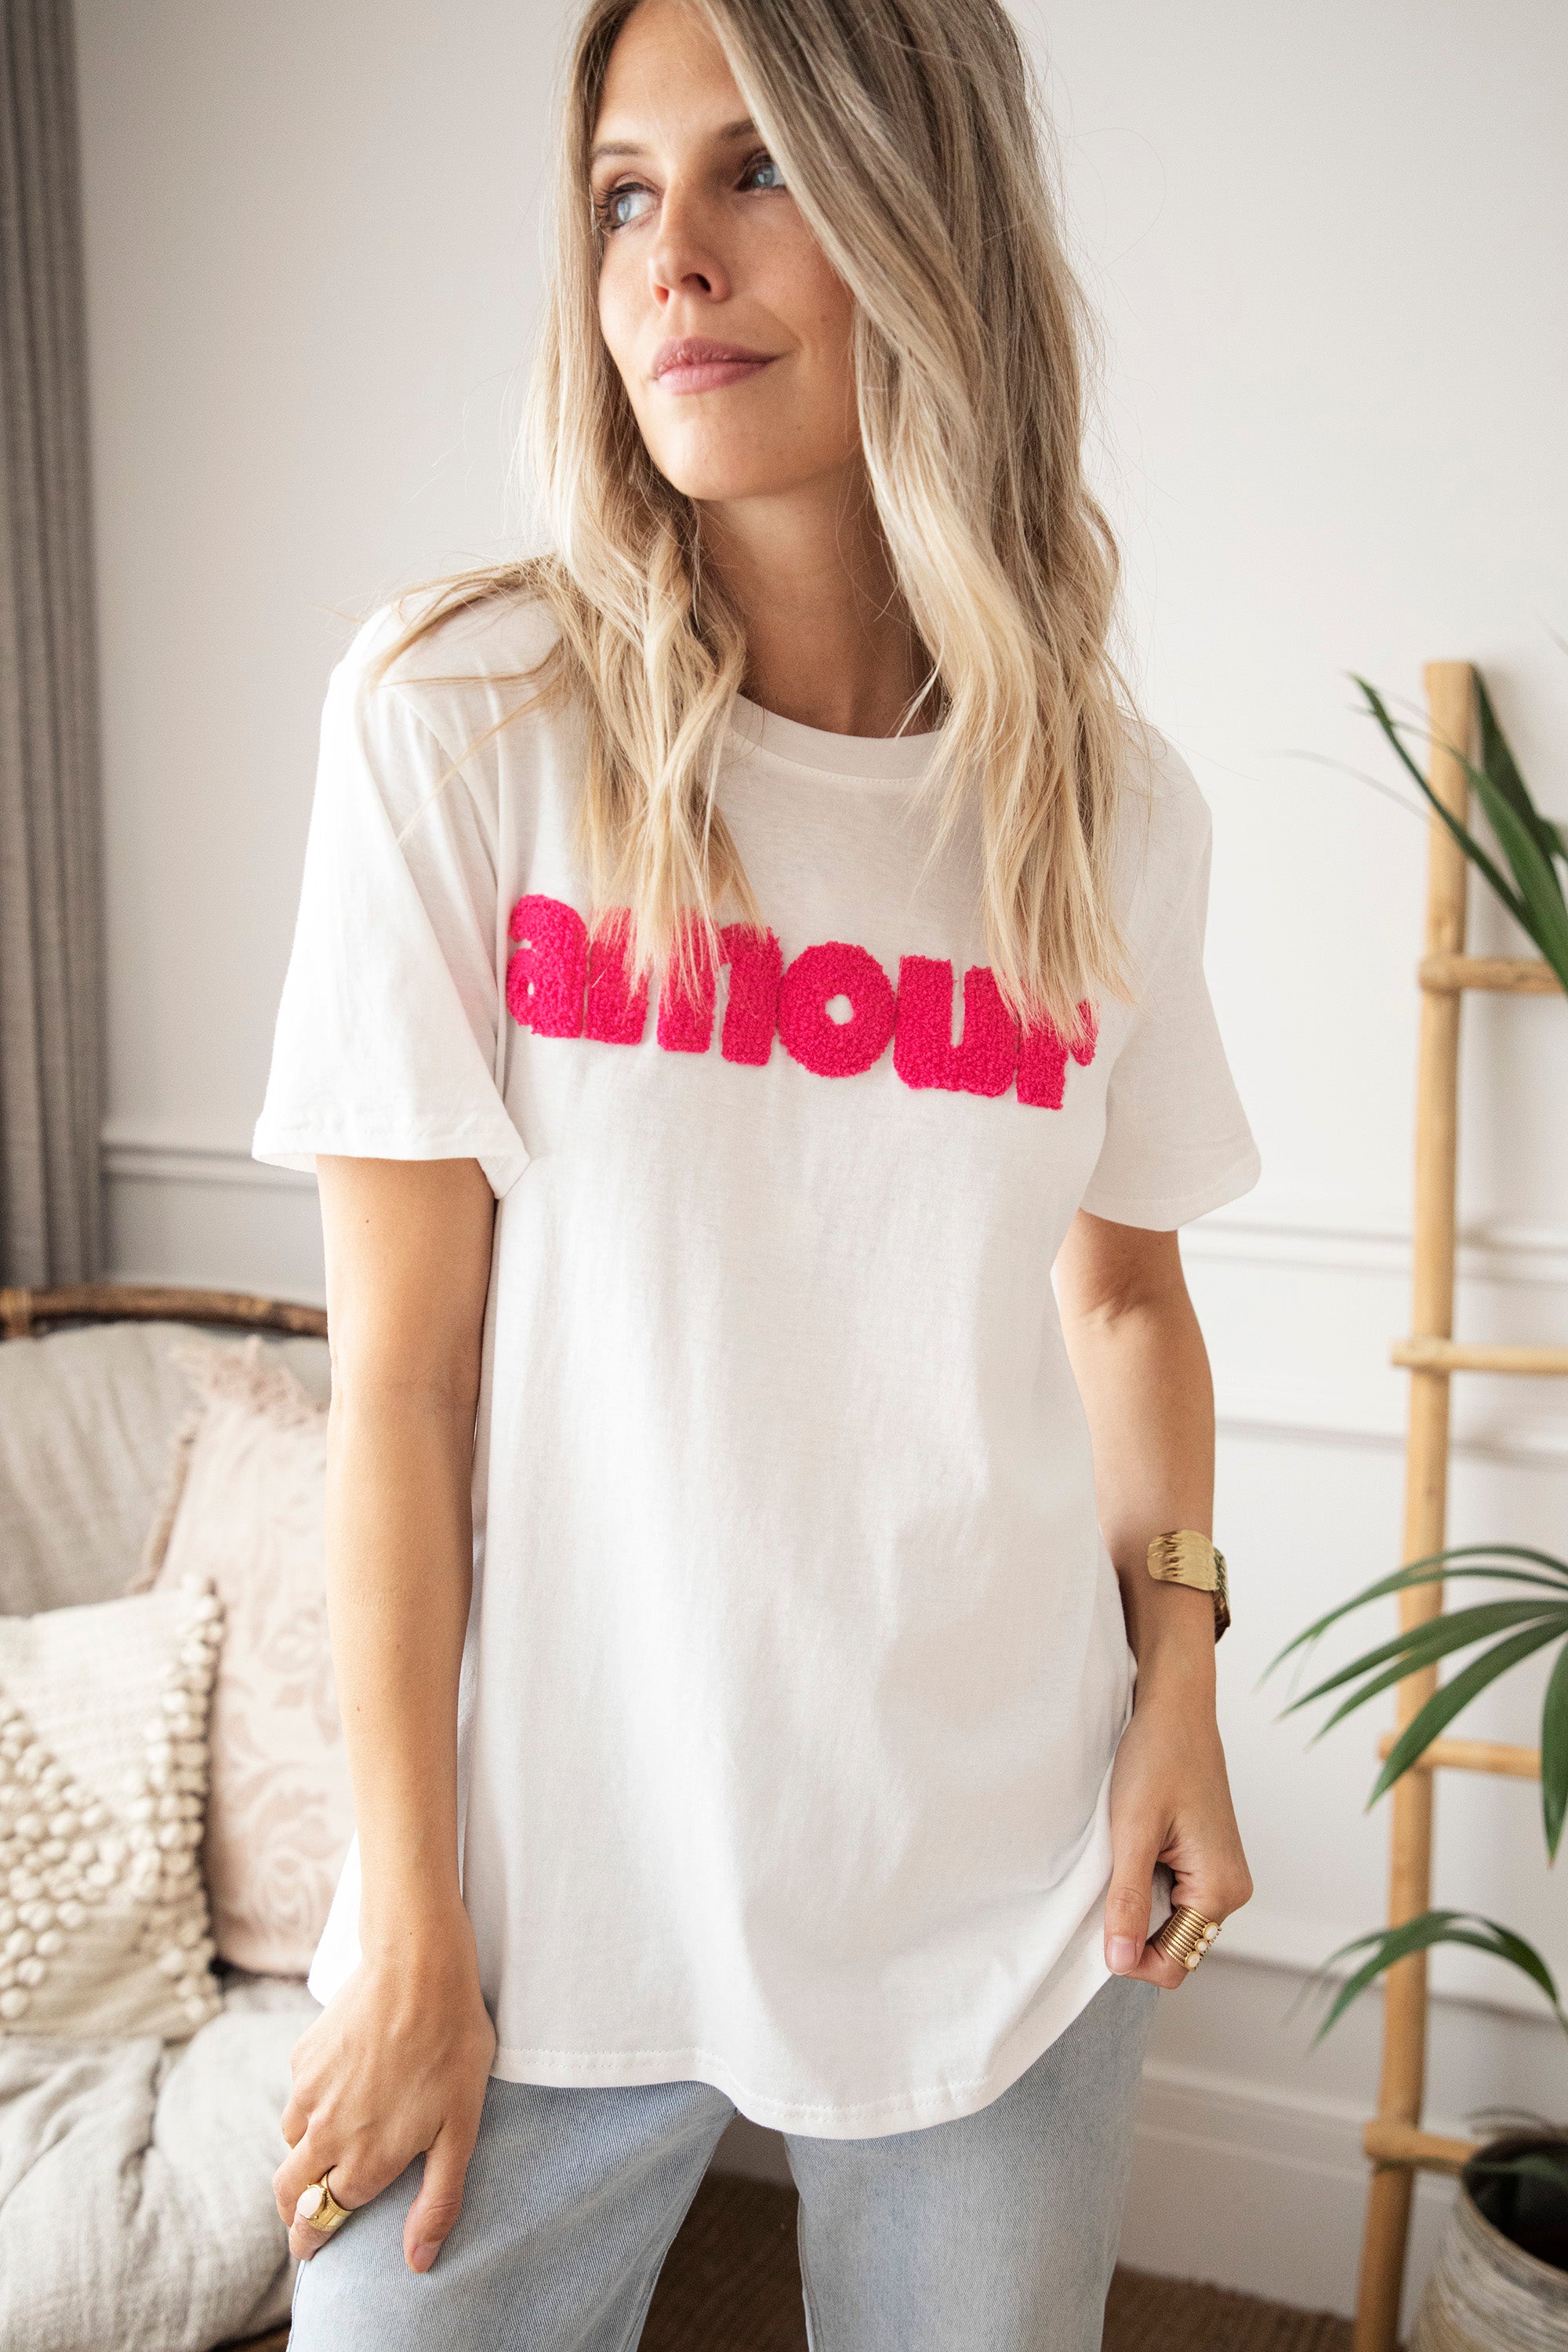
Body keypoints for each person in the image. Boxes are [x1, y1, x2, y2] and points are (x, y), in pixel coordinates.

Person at [254, 0, 1260, 2344]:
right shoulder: (460, 722)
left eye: (758, 169)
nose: (671, 264)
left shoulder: (1106, 809)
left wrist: (1179, 1685)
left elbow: (1125, 1296)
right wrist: (407, 1919)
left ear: (928, 217)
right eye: (623, 193)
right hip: (536, 1899)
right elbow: (399, 1386)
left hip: (1001, 1886)